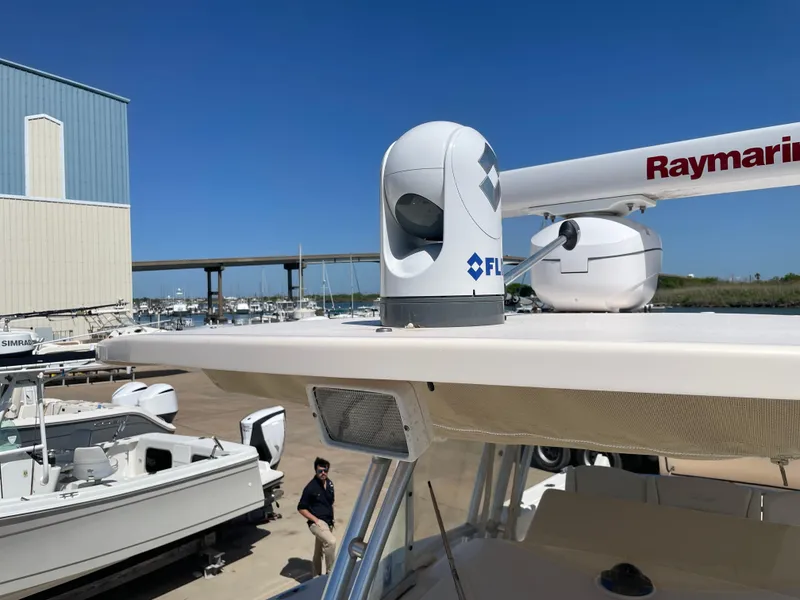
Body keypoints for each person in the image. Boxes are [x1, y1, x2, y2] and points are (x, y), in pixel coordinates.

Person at [297, 457, 337, 577]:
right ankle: (331, 573)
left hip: (328, 521)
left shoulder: (330, 484)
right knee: (331, 542)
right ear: (316, 471)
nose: (323, 473)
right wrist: (316, 520)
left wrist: (332, 519)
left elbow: (330, 503)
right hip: (317, 523)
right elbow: (301, 508)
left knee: (318, 550)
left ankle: (315, 576)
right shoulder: (310, 488)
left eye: (325, 470)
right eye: (320, 471)